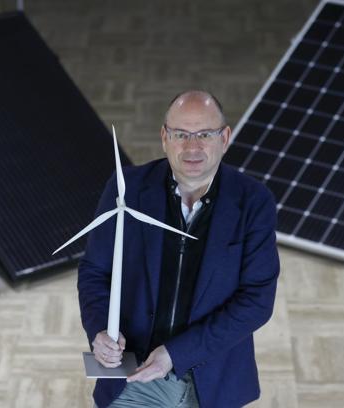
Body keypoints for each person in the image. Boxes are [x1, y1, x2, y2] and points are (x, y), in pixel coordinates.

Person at [78, 90, 280, 407]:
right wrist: (100, 330)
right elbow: (94, 272)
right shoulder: (126, 189)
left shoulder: (254, 202)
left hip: (212, 372)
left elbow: (257, 301)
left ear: (224, 138)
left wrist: (176, 354)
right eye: (181, 134)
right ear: (164, 137)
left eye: (204, 134)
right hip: (138, 368)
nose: (192, 147)